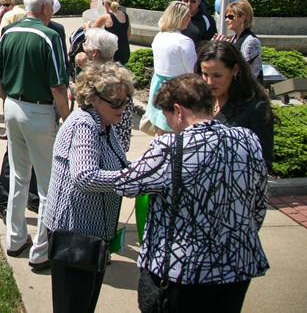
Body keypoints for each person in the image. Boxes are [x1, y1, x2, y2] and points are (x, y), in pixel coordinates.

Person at [113, 74, 269, 312]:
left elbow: (126, 185)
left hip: (185, 273)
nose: (167, 126)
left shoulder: (170, 148)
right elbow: (258, 205)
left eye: (166, 117)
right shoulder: (248, 140)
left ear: (178, 111)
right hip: (237, 268)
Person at [0, 0, 70, 271]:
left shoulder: (10, 31)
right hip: (39, 110)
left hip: (13, 106)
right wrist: (67, 117)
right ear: (45, 9)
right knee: (48, 184)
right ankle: (41, 250)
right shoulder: (50, 36)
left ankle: (15, 237)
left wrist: (9, 98)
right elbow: (58, 86)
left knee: (19, 176)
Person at [43, 62, 133, 311]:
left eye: (126, 101)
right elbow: (85, 176)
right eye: (116, 102)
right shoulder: (84, 125)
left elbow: (120, 164)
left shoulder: (105, 124)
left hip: (93, 233)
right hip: (73, 233)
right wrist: (130, 180)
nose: (123, 108)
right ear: (93, 98)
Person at [196, 41, 274, 170]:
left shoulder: (255, 109)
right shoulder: (199, 100)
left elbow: (264, 162)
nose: (209, 82)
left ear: (235, 70)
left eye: (217, 76)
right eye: (205, 74)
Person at [73, 28, 133, 152]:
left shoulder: (92, 78)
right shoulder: (122, 73)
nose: (84, 47)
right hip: (119, 141)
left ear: (94, 52)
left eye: (86, 43)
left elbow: (84, 105)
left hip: (96, 141)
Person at [144, 1, 196, 135]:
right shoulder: (184, 41)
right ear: (179, 17)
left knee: (160, 132)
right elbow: (193, 71)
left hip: (159, 87)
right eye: (187, 15)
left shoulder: (159, 36)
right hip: (179, 90)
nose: (190, 18)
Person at [220, 0, 262, 82]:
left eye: (230, 17)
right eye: (226, 17)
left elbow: (242, 69)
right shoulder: (234, 38)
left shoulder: (251, 41)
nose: (227, 20)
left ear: (243, 18)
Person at [89, 0, 131, 64]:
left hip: (112, 52)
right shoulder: (125, 15)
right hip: (125, 51)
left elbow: (91, 32)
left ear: (105, 5)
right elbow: (128, 35)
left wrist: (86, 26)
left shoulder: (105, 17)